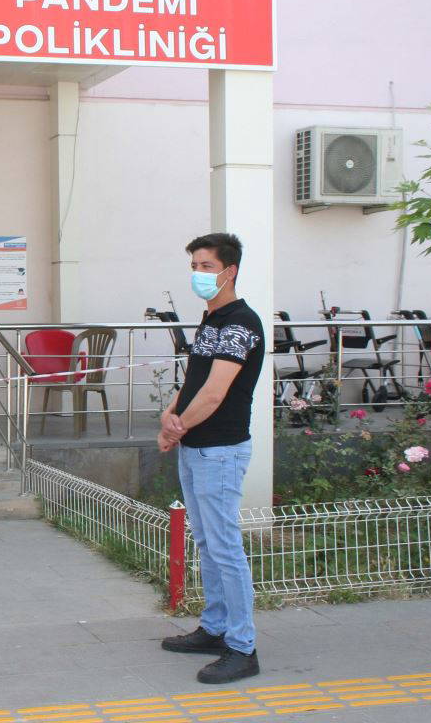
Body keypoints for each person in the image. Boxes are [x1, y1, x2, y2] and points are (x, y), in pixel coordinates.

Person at [158, 233, 265, 684]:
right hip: (195, 446)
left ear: (229, 271)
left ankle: (242, 647)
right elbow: (195, 379)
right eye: (194, 266)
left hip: (219, 450)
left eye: (206, 266)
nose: (198, 274)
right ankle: (216, 627)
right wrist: (171, 413)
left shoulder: (241, 322)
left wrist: (177, 427)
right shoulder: (212, 319)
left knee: (225, 548)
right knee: (207, 543)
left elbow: (216, 392)